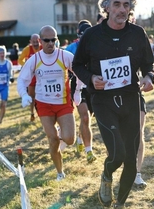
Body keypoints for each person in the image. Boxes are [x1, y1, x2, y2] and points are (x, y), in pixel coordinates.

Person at [72, 0, 154, 209]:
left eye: (126, 5)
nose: (121, 9)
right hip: (104, 101)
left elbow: (149, 65)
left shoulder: (137, 33)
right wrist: (91, 79)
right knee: (117, 154)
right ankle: (107, 174)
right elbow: (78, 65)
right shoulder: (92, 35)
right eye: (116, 4)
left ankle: (120, 204)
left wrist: (149, 77)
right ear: (106, 7)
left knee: (131, 158)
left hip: (130, 99)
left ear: (130, 9)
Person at [17, 25, 76, 181]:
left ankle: (61, 129)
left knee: (70, 139)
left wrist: (79, 91)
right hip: (44, 104)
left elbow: (81, 72)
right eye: (47, 40)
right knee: (53, 139)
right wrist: (24, 95)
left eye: (53, 40)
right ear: (40, 41)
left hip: (63, 102)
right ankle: (59, 172)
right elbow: (22, 80)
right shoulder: (34, 60)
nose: (51, 43)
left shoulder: (65, 56)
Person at [66, 20, 97, 163]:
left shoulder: (97, 46)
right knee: (85, 117)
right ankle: (89, 151)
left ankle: (80, 137)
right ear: (78, 35)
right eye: (82, 35)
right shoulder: (71, 48)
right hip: (77, 86)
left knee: (88, 117)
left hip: (92, 85)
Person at [18, 34, 43, 122]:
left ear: (39, 41)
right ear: (30, 42)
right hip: (32, 76)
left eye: (37, 41)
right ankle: (32, 113)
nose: (35, 43)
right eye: (34, 42)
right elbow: (20, 60)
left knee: (42, 95)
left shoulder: (43, 48)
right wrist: (27, 67)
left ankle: (42, 113)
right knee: (31, 96)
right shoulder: (27, 49)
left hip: (41, 75)